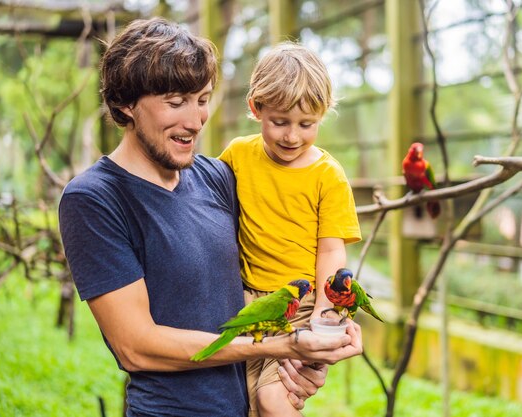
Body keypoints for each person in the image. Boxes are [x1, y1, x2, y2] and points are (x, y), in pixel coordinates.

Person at [58, 17, 363, 417]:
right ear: (125, 103)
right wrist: (282, 345)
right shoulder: (96, 199)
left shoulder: (217, 176)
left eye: (202, 99)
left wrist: (314, 346)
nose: (195, 120)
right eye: (175, 102)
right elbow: (135, 347)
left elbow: (290, 229)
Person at [218, 42, 362, 417]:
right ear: (256, 108)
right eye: (280, 122)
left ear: (323, 115)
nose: (292, 137)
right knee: (246, 403)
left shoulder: (327, 176)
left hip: (301, 304)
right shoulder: (237, 155)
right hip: (247, 300)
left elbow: (331, 251)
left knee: (273, 400)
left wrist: (326, 314)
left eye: (306, 124)